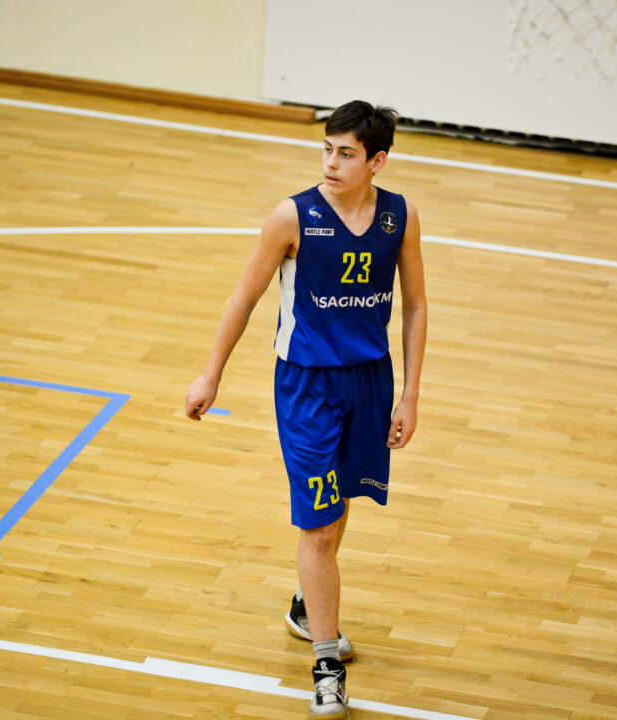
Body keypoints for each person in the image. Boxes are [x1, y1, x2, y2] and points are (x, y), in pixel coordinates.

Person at [185, 100, 427, 718]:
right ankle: (326, 667)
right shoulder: (291, 217)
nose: (330, 163)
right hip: (306, 387)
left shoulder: (400, 216)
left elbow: (416, 306)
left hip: (370, 383)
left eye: (346, 153)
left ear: (377, 161)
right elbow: (244, 298)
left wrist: (409, 394)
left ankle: (305, 604)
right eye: (326, 149)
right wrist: (211, 374)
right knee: (318, 526)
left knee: (338, 505)